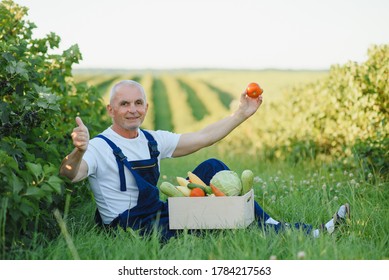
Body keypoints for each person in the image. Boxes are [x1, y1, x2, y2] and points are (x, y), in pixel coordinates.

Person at [59, 80, 350, 241]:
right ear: (111, 109)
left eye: (138, 103)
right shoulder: (98, 146)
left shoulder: (151, 139)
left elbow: (203, 137)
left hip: (157, 212)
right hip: (129, 227)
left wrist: (241, 114)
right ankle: (292, 234)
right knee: (215, 219)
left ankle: (272, 225)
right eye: (124, 104)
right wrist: (78, 151)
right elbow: (70, 174)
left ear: (146, 107)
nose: (132, 110)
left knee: (212, 167)